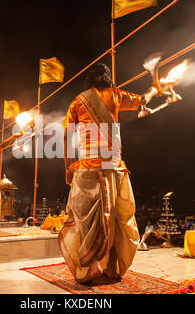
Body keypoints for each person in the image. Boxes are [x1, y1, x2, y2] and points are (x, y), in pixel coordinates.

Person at [58, 63, 158, 284]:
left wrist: (67, 166)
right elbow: (143, 100)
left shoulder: (78, 101)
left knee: (86, 220)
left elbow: (66, 137)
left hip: (87, 168)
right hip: (114, 167)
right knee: (115, 218)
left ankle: (91, 267)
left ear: (89, 80)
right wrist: (154, 88)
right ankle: (112, 268)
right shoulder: (116, 95)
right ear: (107, 78)